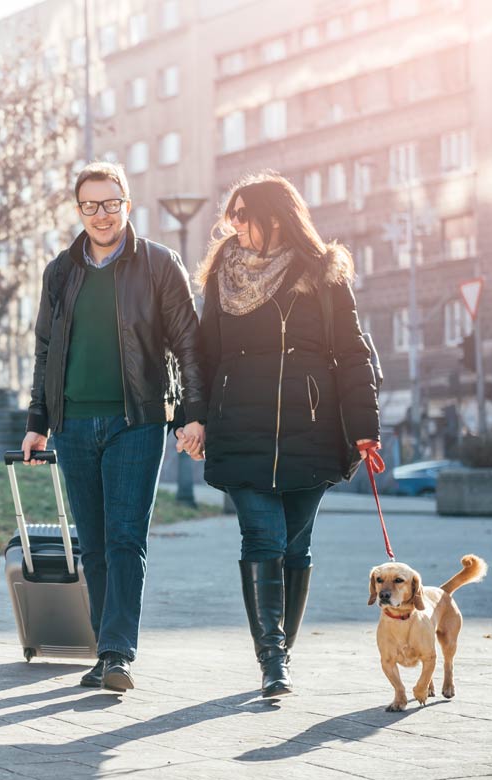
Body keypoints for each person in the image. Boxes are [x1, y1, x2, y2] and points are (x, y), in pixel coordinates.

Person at [21, 161, 207, 693]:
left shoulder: (158, 264)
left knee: (126, 538)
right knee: (95, 543)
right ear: (78, 210)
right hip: (74, 422)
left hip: (137, 420)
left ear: (128, 204)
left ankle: (118, 653)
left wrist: (194, 414)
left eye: (110, 203)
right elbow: (46, 350)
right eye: (90, 205)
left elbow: (188, 343)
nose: (101, 215)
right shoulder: (60, 270)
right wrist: (38, 422)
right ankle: (106, 651)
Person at [196, 171, 380, 697]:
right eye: (231, 216)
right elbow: (203, 355)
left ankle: (283, 651)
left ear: (273, 218)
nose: (233, 225)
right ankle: (272, 658)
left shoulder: (323, 274)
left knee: (296, 547)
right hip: (240, 430)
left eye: (241, 215)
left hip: (313, 433)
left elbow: (352, 354)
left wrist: (364, 429)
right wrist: (195, 416)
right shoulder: (221, 277)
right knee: (263, 537)